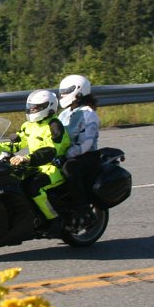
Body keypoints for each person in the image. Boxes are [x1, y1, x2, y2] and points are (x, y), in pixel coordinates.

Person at [0, 89, 70, 235]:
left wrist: (26, 158)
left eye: (35, 108)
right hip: (34, 165)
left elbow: (50, 150)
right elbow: (17, 144)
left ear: (47, 107)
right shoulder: (29, 125)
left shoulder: (54, 126)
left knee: (33, 186)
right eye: (30, 107)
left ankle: (53, 219)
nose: (32, 110)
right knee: (11, 181)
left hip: (53, 167)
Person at [56, 74, 101, 218]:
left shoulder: (88, 114)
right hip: (66, 153)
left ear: (79, 91)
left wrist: (68, 154)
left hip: (86, 155)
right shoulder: (64, 114)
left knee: (69, 168)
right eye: (62, 92)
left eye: (66, 91)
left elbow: (86, 143)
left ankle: (82, 209)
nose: (63, 94)